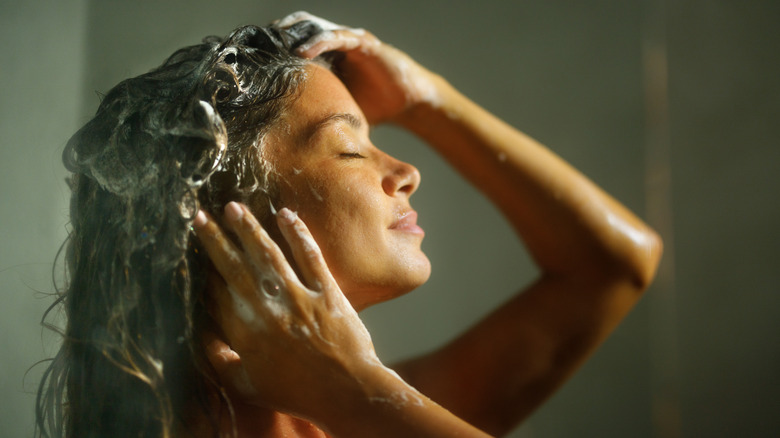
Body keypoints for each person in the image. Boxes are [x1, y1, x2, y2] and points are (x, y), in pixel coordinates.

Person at [36, 11, 662, 438]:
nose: (408, 170)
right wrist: (353, 393)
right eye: (351, 149)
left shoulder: (350, 412)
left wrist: (429, 98)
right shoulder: (361, 410)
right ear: (232, 218)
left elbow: (614, 265)